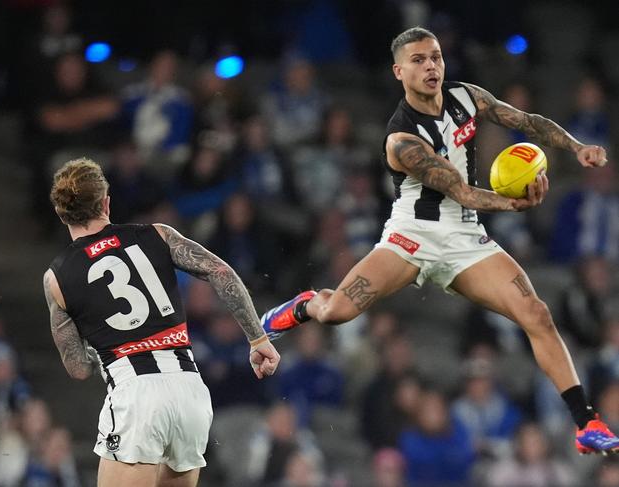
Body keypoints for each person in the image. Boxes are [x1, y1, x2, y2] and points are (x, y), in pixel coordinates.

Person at [261, 26, 618, 454]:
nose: (430, 66)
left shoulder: (467, 96)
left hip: (465, 237)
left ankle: (586, 423)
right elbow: (459, 190)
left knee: (536, 313)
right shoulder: (401, 139)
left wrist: (575, 147)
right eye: (418, 60)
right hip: (411, 236)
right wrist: (514, 205)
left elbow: (526, 122)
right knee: (336, 311)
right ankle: (303, 305)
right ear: (398, 71)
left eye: (435, 57)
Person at [43, 159, 280, 487]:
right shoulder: (158, 234)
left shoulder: (57, 278)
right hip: (189, 390)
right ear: (106, 202)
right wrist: (258, 339)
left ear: (60, 212)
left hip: (136, 394)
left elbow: (78, 368)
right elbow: (221, 272)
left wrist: (103, 346)